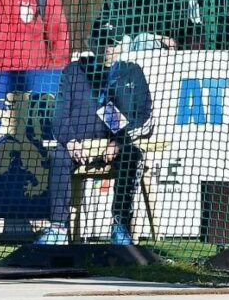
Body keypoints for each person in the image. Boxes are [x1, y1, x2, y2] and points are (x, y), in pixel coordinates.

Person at [38, 18, 154, 246]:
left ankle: (120, 224)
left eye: (113, 43)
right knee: (58, 157)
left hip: (116, 144)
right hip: (79, 145)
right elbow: (59, 114)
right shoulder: (73, 70)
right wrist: (70, 141)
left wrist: (120, 141)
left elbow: (144, 115)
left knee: (132, 157)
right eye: (102, 42)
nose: (107, 49)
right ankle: (58, 228)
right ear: (91, 43)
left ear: (122, 45)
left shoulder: (132, 72)